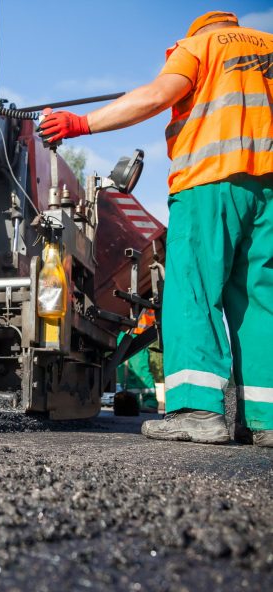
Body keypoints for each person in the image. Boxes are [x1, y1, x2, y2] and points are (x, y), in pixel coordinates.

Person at [39, 11, 272, 448]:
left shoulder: (201, 46)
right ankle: (267, 419)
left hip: (209, 181)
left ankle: (200, 412)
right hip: (270, 193)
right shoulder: (267, 44)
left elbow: (158, 94)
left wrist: (81, 123)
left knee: (191, 290)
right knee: (261, 301)